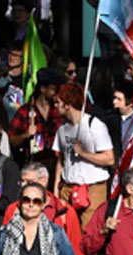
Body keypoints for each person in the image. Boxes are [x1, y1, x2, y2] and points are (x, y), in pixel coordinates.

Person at [52, 84, 114, 231]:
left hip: (92, 189)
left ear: (68, 105)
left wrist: (83, 153)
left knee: (88, 230)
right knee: (65, 230)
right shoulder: (62, 129)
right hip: (68, 187)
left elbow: (109, 159)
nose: (55, 106)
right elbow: (60, 159)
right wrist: (56, 186)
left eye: (58, 102)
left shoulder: (94, 125)